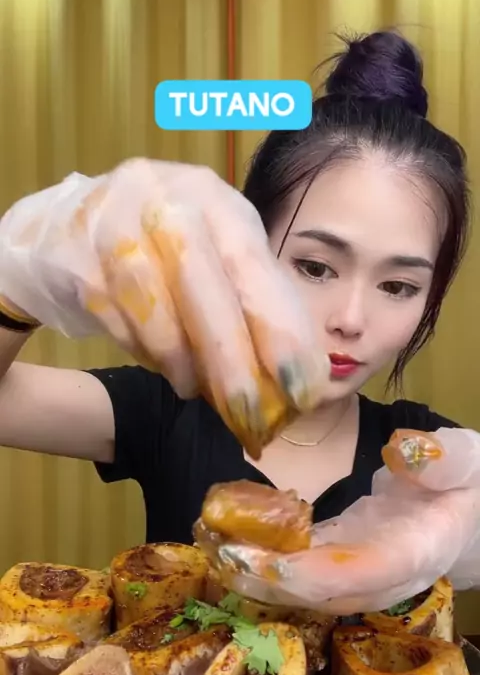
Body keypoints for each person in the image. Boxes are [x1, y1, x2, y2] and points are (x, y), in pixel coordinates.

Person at [0, 31, 470, 577]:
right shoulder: (166, 410)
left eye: (398, 287)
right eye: (315, 267)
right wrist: (19, 281)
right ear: (248, 246)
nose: (350, 319)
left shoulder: (433, 456)